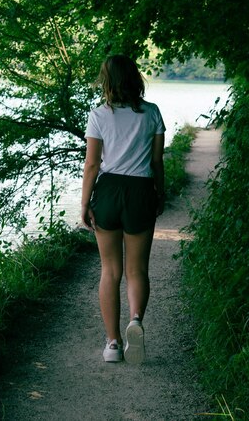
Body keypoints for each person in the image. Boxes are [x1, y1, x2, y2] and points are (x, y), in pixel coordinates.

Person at [81, 55, 165, 364]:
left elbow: (92, 164)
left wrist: (85, 202)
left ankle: (113, 344)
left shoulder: (99, 115)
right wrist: (160, 193)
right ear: (135, 78)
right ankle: (135, 320)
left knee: (110, 270)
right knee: (136, 270)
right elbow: (157, 162)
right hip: (141, 189)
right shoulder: (152, 114)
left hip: (109, 191)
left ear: (106, 81)